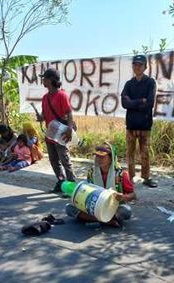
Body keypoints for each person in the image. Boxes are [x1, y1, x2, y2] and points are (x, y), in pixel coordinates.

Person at [65, 143, 136, 227]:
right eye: (97, 156)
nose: (98, 159)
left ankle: (98, 219)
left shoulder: (121, 174)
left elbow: (133, 195)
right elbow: (87, 192)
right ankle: (106, 221)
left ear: (111, 158)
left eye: (102, 157)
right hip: (94, 207)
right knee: (69, 208)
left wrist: (124, 197)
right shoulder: (92, 173)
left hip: (112, 208)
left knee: (126, 211)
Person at [36, 68, 76, 192]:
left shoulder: (61, 95)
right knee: (54, 161)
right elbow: (44, 115)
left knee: (65, 160)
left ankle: (72, 187)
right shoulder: (45, 97)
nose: (43, 80)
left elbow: (69, 113)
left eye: (45, 78)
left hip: (61, 133)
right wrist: (40, 118)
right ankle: (61, 182)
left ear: (51, 80)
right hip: (50, 134)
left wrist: (69, 129)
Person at [121, 55, 158, 188]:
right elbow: (124, 103)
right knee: (129, 153)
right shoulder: (129, 84)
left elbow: (149, 103)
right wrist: (139, 101)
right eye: (135, 64)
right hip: (131, 125)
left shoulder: (150, 82)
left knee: (145, 153)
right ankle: (130, 178)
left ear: (145, 67)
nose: (137, 67)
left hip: (145, 125)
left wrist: (132, 103)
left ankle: (146, 177)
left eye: (140, 65)